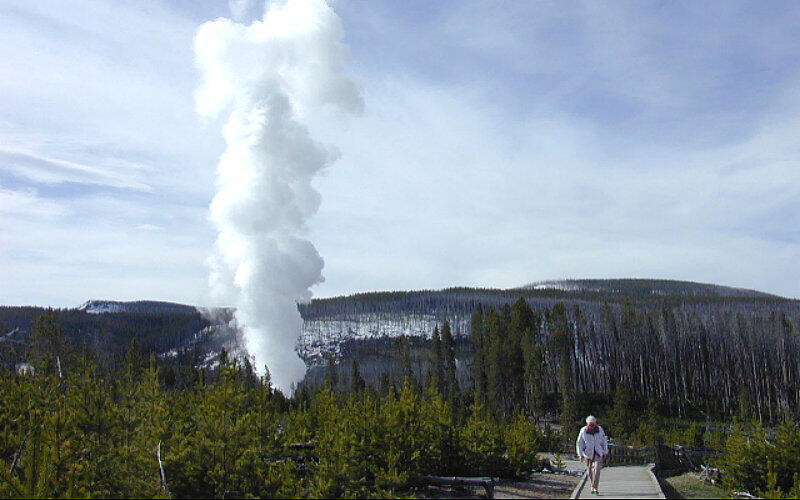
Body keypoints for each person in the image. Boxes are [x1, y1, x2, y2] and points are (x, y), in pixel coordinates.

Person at [576, 415, 608, 495]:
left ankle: (595, 487)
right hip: (588, 453)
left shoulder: (600, 430)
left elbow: (604, 441)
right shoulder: (583, 430)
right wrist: (580, 454)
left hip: (598, 452)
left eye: (593, 424)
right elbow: (579, 443)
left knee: (597, 469)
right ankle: (592, 485)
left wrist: (605, 451)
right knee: (589, 470)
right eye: (590, 424)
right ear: (587, 424)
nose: (592, 426)